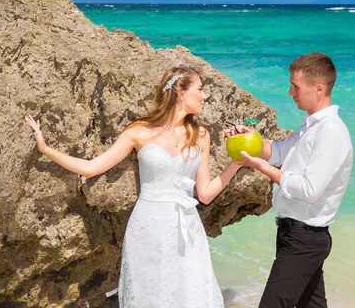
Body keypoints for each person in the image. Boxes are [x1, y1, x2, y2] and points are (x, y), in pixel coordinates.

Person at [25, 66, 241, 308]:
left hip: (187, 229)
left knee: (192, 294)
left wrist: (235, 164)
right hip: (148, 227)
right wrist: (45, 149)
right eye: (200, 89)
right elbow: (91, 168)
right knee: (150, 294)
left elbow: (206, 194)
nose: (204, 96)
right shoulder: (139, 131)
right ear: (180, 91)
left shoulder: (200, 134)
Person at [225, 52, 353, 308]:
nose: (290, 93)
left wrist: (261, 167)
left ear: (318, 89)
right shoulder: (312, 125)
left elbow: (309, 190)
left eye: (295, 86)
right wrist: (251, 141)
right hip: (296, 234)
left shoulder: (331, 131)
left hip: (305, 239)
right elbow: (280, 151)